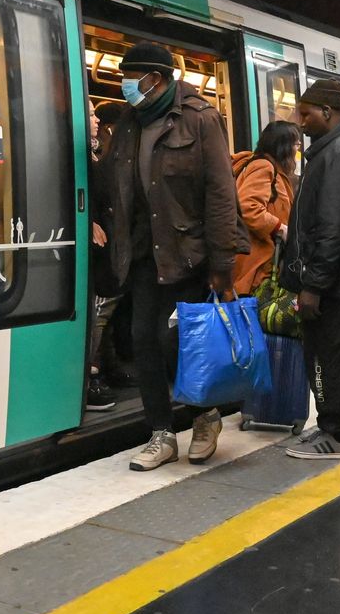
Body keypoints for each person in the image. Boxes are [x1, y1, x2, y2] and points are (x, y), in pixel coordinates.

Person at [89, 41, 240, 471]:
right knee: (145, 343)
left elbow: (220, 195)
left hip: (188, 255)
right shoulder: (131, 125)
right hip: (140, 255)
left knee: (178, 341)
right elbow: (111, 184)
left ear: (154, 79)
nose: (124, 87)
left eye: (130, 78)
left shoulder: (199, 120)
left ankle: (204, 416)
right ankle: (161, 434)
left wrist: (222, 264)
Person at [281, 80, 340, 460]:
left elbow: (332, 228)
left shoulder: (338, 155)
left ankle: (337, 435)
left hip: (331, 286)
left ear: (329, 113)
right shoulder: (333, 150)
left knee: (326, 359)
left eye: (306, 114)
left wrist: (313, 286)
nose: (300, 122)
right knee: (325, 357)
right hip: (332, 282)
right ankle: (331, 423)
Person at [85, 100, 128, 412]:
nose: (95, 120)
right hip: (100, 245)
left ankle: (105, 365)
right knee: (101, 308)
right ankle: (92, 373)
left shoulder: (94, 153)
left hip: (108, 241)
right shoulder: (90, 156)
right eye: (89, 115)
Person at [230, 120, 297, 296]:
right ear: (284, 147)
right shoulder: (264, 166)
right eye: (296, 145)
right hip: (254, 266)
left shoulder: (264, 166)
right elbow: (248, 206)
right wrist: (280, 228)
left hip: (252, 264)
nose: (297, 150)